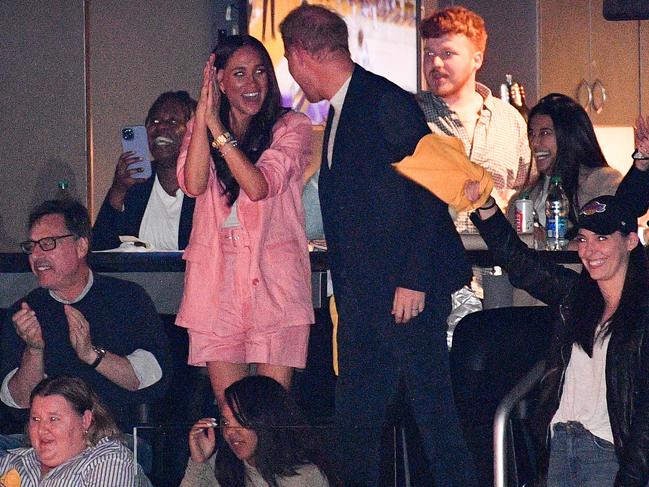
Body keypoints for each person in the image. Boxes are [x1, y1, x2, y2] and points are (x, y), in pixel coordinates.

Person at [280, 5, 477, 486]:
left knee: (432, 423)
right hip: (368, 298)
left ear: (300, 55)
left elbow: (431, 188)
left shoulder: (381, 101)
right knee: (358, 429)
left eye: (287, 59)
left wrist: (412, 278)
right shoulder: (346, 108)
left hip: (401, 295)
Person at [464, 120, 649, 486]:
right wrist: (484, 205)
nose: (589, 251)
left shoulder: (642, 314)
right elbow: (519, 263)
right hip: (561, 447)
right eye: (582, 240)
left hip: (607, 456)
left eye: (601, 239)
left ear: (629, 242)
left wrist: (631, 476)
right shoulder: (575, 298)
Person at [175, 34, 314, 407]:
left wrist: (217, 131)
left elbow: (257, 185)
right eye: (239, 74)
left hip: (275, 284)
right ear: (219, 81)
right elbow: (192, 183)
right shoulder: (201, 127)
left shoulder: (293, 126)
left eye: (259, 73)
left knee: (271, 418)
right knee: (232, 415)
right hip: (216, 284)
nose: (252, 84)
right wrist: (204, 122)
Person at [0, 199, 171, 432]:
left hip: (112, 438)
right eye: (32, 246)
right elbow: (18, 403)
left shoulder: (126, 298)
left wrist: (92, 355)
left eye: (47, 243)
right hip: (44, 443)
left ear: (81, 247)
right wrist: (34, 350)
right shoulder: (25, 312)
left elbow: (152, 379)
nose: (36, 255)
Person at [417, 6, 531, 233]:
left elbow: (526, 193)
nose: (436, 63)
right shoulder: (409, 115)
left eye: (447, 54)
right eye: (429, 53)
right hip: (434, 261)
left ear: (476, 59)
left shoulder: (510, 121)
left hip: (498, 262)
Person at [507, 93, 622, 242]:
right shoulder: (521, 199)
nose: (534, 143)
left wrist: (549, 241)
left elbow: (606, 245)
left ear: (569, 136)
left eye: (545, 133)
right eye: (532, 134)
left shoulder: (603, 182)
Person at [180, 376, 332, 487]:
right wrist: (197, 462)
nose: (230, 432)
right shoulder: (222, 467)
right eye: (225, 422)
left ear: (266, 419)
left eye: (240, 420)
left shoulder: (304, 477)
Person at [0, 375, 152, 486]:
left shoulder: (109, 460)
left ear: (85, 420)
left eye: (53, 419)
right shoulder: (13, 461)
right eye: (35, 419)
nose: (41, 430)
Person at [93, 91, 197, 250]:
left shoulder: (206, 183)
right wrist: (118, 189)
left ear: (194, 131)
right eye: (155, 121)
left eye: (173, 120)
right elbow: (100, 248)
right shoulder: (137, 184)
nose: (161, 126)